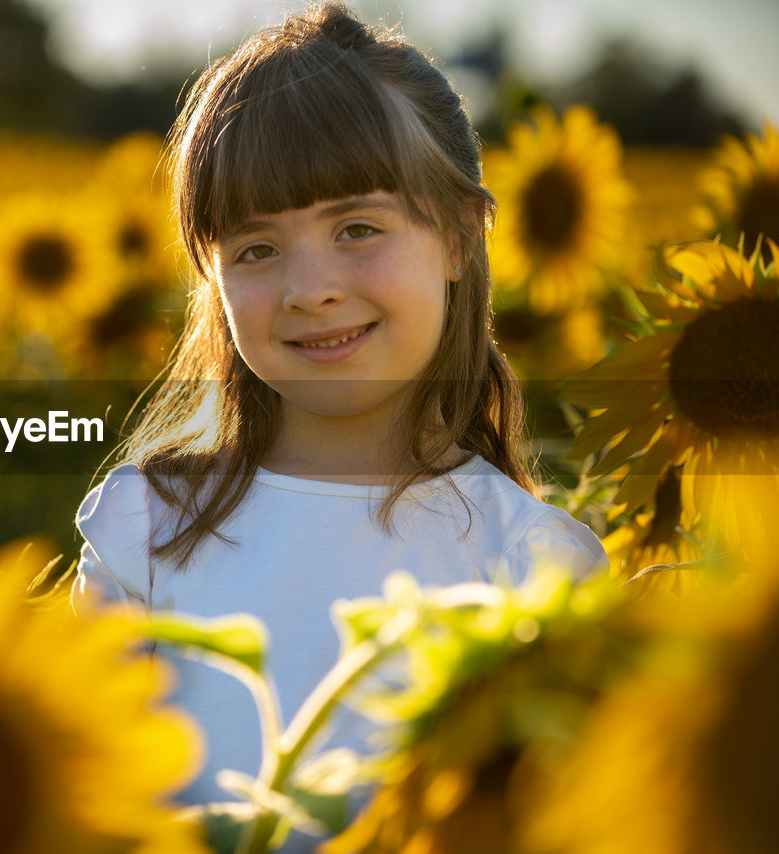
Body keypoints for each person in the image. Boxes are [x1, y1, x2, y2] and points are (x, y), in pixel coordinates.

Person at [72, 0, 607, 840]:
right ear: (211, 280)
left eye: (357, 227)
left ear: (461, 234)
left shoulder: (533, 568)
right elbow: (75, 804)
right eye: (256, 249)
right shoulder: (148, 530)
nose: (310, 287)